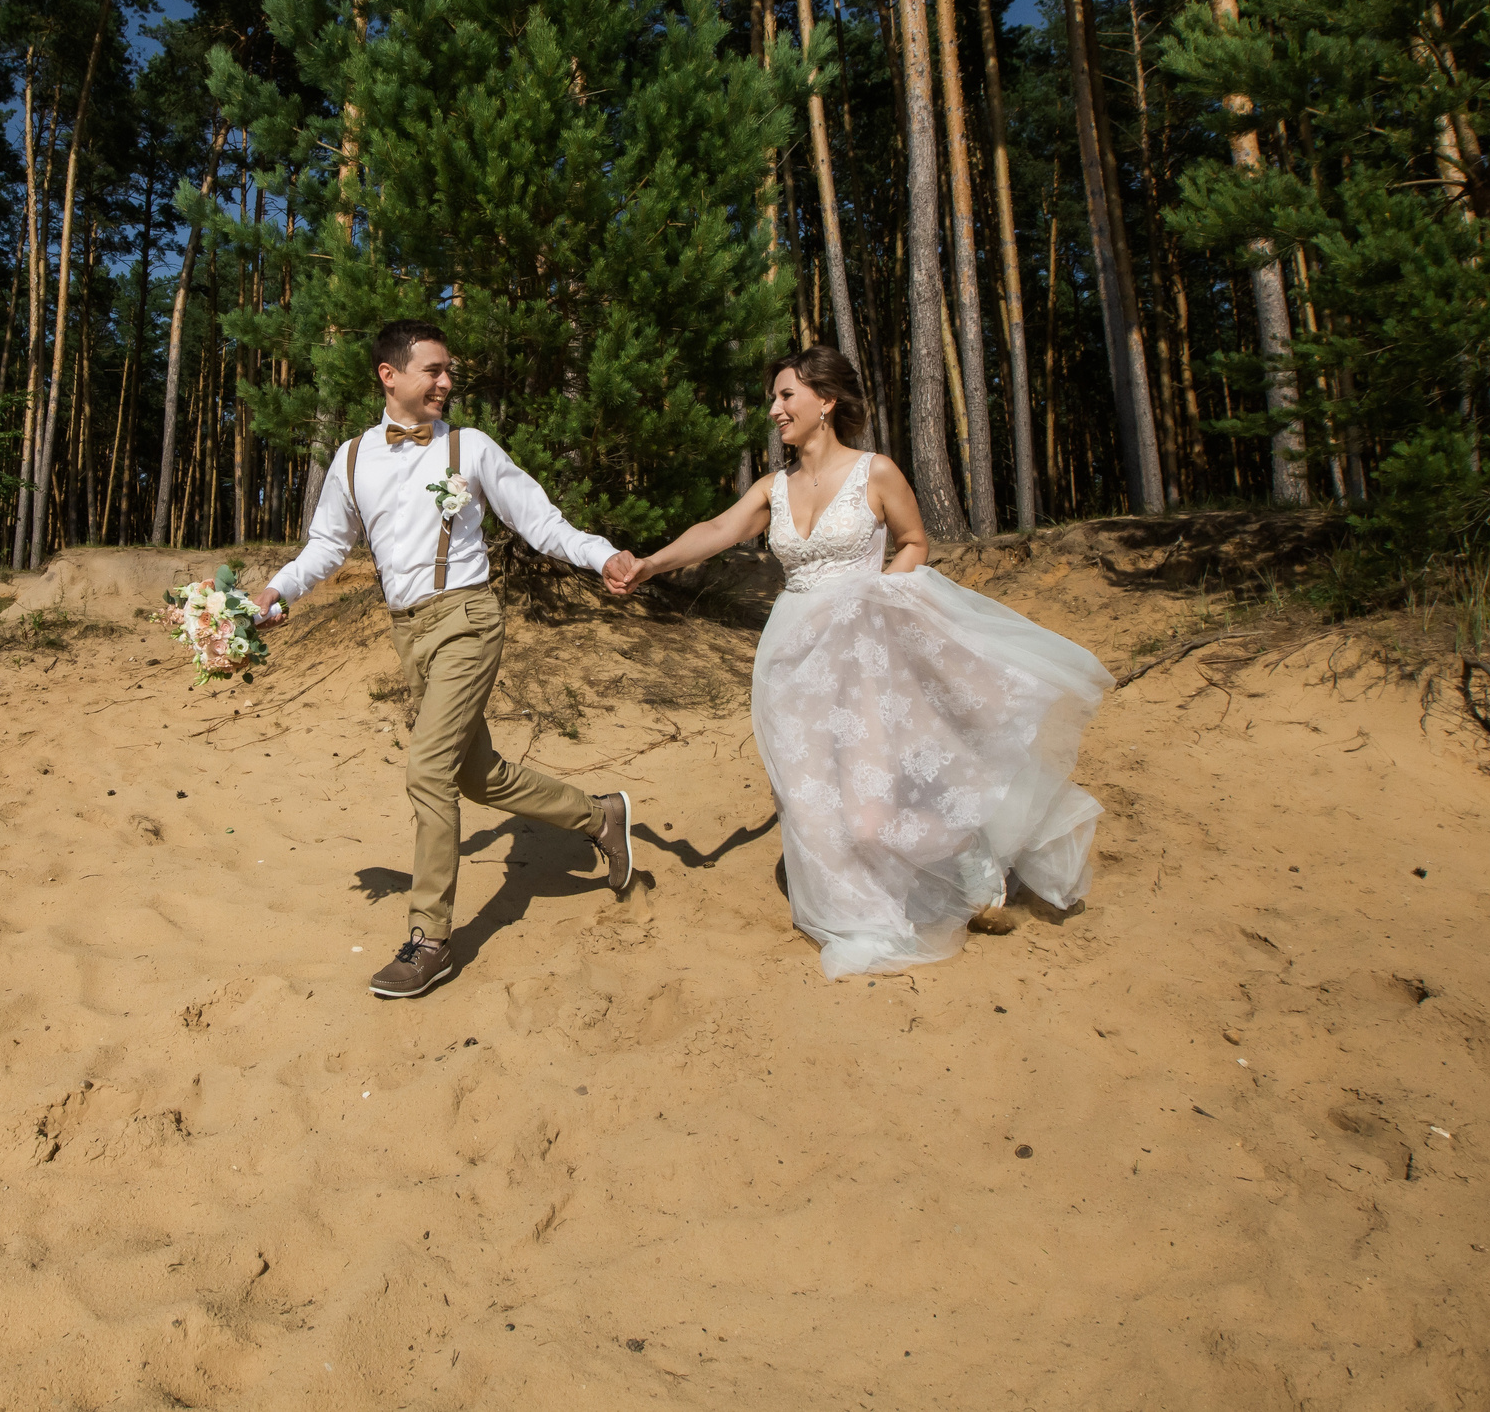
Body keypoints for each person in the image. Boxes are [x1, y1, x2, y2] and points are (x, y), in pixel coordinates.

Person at [608, 346, 1114, 977]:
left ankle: (970, 854)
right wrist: (650, 563)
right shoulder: (775, 487)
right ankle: (861, 910)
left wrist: (878, 601)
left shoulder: (875, 471)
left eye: (786, 396)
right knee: (812, 798)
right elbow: (716, 530)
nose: (774, 410)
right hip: (792, 662)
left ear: (827, 401)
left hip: (867, 656)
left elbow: (914, 543)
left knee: (873, 808)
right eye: (774, 398)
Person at [254, 319, 641, 999]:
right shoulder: (351, 459)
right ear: (389, 375)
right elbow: (324, 546)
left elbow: (539, 519)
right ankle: (598, 814)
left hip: (466, 619)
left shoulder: (471, 447)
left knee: (426, 768)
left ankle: (429, 938)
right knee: (477, 774)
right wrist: (276, 589)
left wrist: (600, 552)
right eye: (433, 370)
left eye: (449, 371)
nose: (446, 382)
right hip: (409, 633)